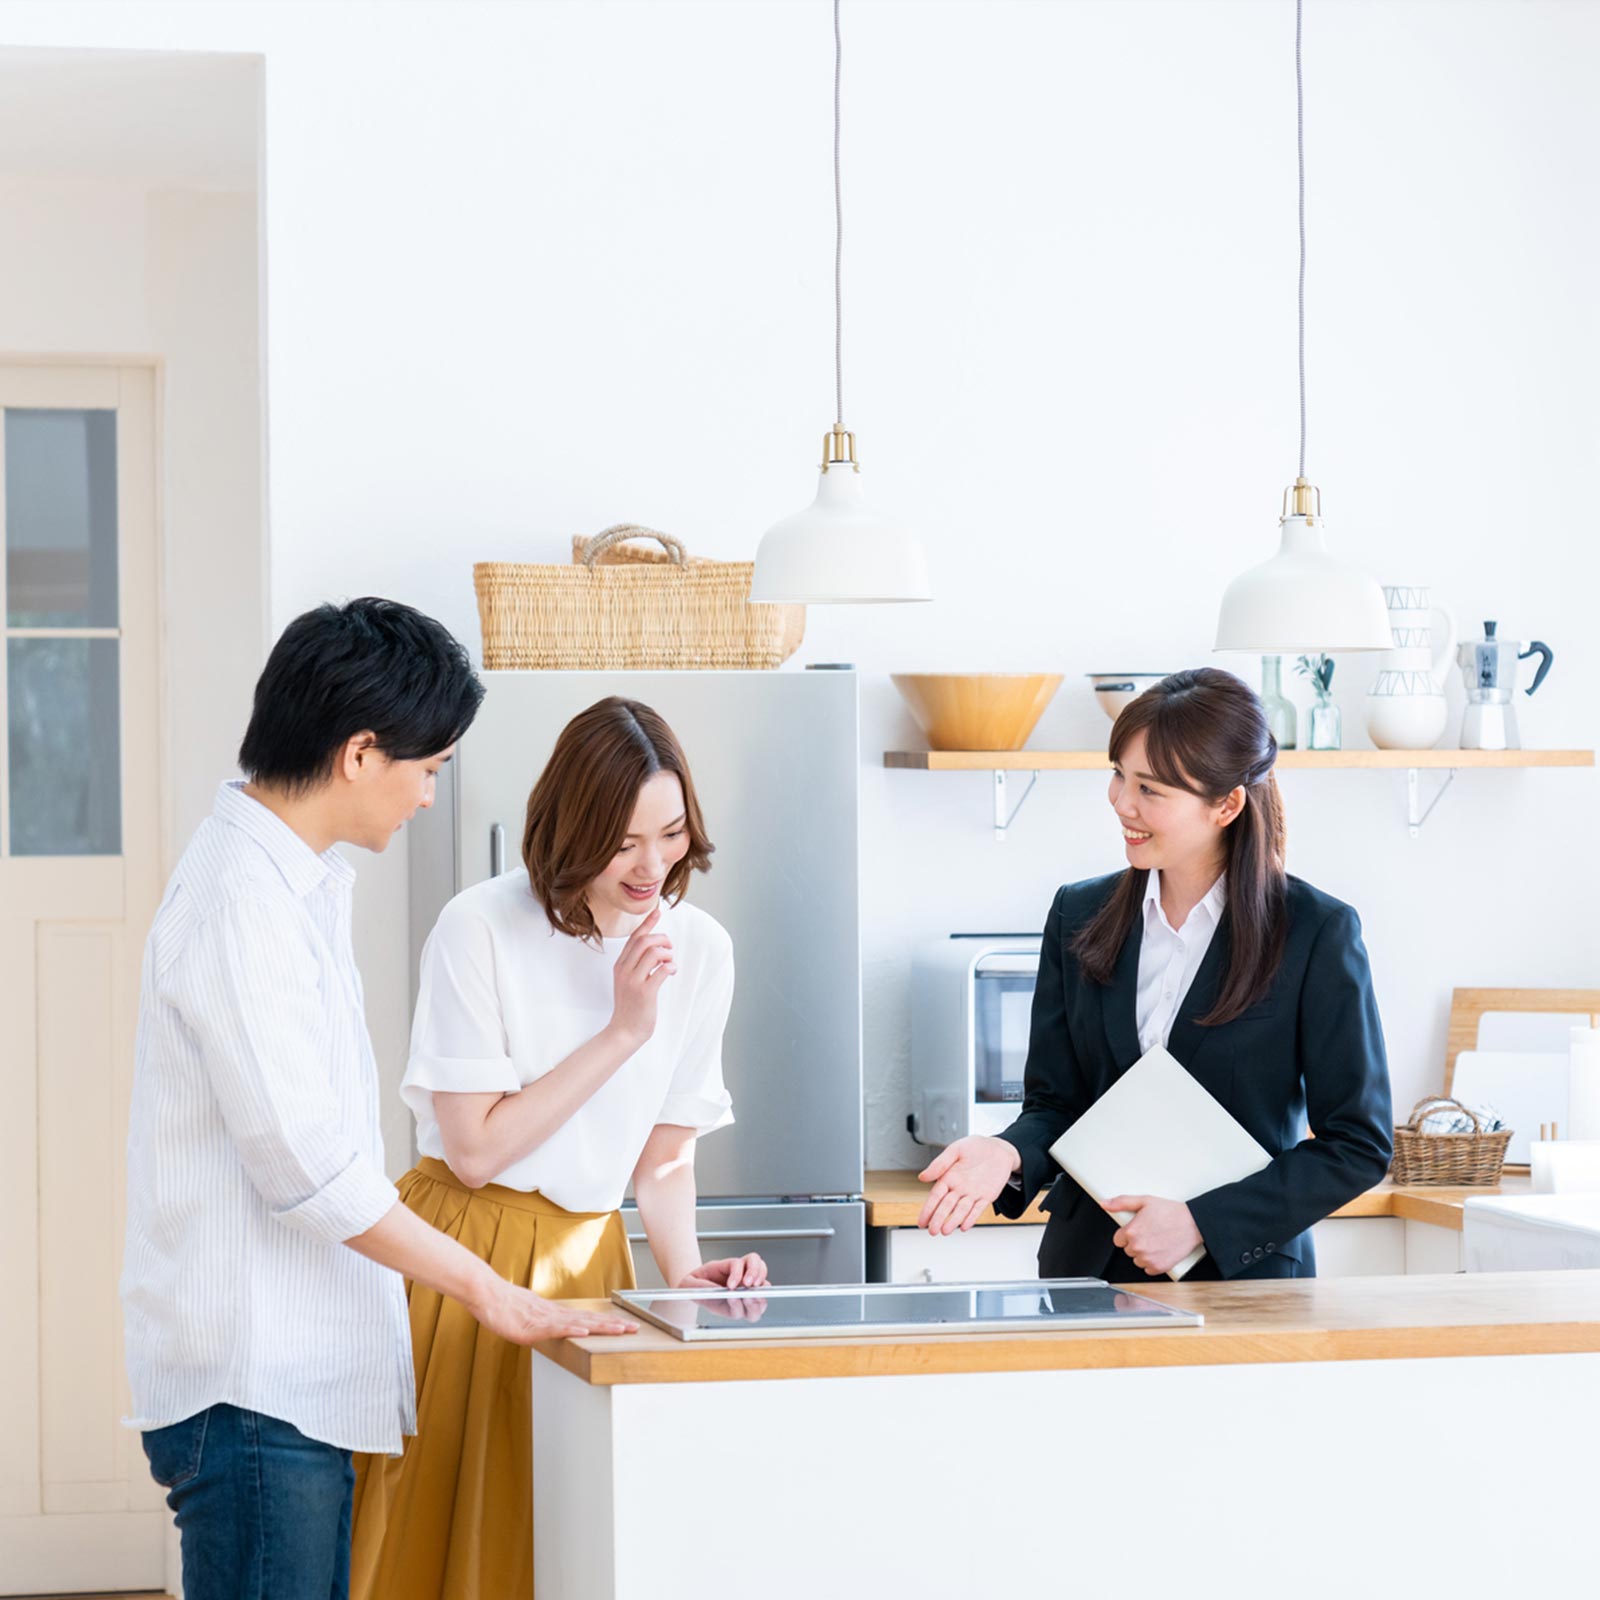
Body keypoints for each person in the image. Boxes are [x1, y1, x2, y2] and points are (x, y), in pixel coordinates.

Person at [120, 599, 634, 1600]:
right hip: (254, 1391)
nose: (432, 796)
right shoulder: (242, 902)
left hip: (286, 1389)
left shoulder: (290, 887)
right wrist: (492, 1291)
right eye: (430, 768)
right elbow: (308, 1167)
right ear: (360, 752)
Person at [349, 695, 768, 1599]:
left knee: (574, 1550)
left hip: (594, 1265)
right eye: (623, 842)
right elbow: (474, 1152)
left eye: (670, 833)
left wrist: (682, 1279)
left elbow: (663, 1156)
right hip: (463, 1260)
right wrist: (621, 1031)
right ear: (571, 828)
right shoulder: (480, 926)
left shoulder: (701, 948)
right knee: (436, 1547)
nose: (652, 865)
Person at [917, 667, 1393, 1281]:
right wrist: (1005, 1151)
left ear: (1226, 804)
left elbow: (1357, 1146)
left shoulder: (1314, 932)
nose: (1122, 803)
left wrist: (1202, 1220)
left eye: (1151, 789)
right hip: (1085, 1271)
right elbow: (1057, 1103)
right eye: (1119, 775)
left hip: (1240, 1288)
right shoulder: (1078, 914)